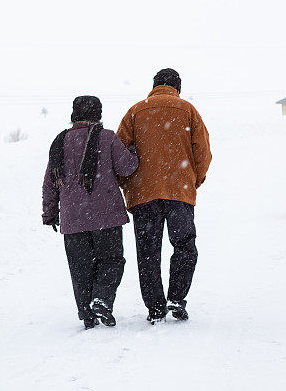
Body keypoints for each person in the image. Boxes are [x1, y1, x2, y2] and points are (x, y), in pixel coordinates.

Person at [116, 68, 212, 323]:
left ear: (154, 85)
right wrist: (194, 180)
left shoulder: (135, 112)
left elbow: (119, 153)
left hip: (143, 195)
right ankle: (176, 299)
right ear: (177, 87)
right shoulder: (188, 110)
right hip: (179, 193)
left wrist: (128, 184)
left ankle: (155, 308)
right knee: (184, 246)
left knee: (148, 252)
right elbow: (203, 152)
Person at [42, 95, 139, 329]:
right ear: (98, 114)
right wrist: (134, 150)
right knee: (112, 260)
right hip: (106, 216)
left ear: (74, 115)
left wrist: (49, 212)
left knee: (80, 268)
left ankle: (87, 314)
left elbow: (49, 182)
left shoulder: (59, 142)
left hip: (73, 219)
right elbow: (127, 167)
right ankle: (102, 299)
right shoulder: (106, 138)